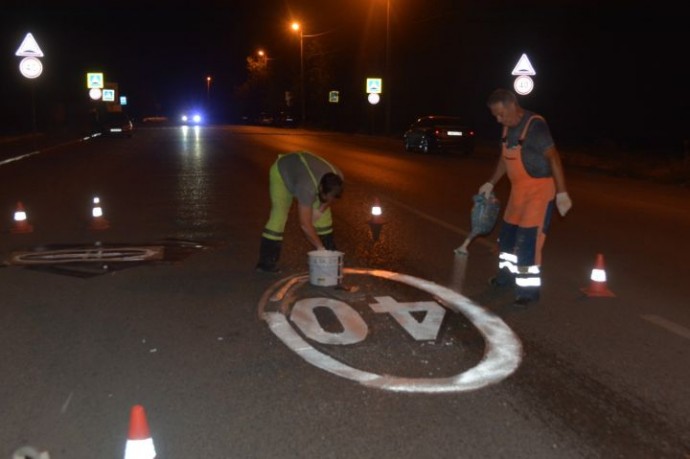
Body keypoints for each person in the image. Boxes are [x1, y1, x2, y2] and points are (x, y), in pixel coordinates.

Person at [479, 88, 572, 306]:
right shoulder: (507, 128)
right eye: (495, 116)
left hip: (540, 191)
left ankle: (527, 293)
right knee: (508, 238)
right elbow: (504, 159)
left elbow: (554, 158)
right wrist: (490, 183)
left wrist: (562, 193)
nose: (499, 119)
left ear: (513, 106)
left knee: (527, 242)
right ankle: (505, 278)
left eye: (501, 114)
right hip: (518, 191)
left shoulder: (535, 126)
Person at [256, 151, 344, 273]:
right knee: (279, 215)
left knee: (324, 218)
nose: (327, 200)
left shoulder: (338, 177)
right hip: (282, 172)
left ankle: (331, 256)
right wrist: (320, 248)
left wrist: (321, 209)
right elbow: (305, 225)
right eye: (324, 196)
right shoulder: (307, 187)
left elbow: (331, 198)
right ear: (320, 188)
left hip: (305, 173)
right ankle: (266, 262)